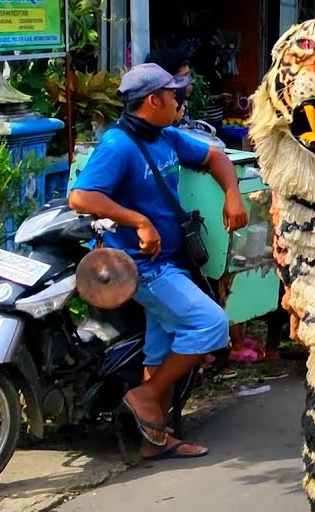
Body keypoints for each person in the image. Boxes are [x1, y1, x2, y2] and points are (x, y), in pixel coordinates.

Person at [68, 63, 248, 461]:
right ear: (154, 100)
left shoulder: (165, 136)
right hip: (141, 266)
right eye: (174, 94)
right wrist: (138, 220)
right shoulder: (118, 145)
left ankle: (154, 439)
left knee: (161, 346)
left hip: (171, 259)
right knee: (210, 323)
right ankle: (145, 397)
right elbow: (81, 197)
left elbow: (215, 158)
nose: (180, 101)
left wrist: (233, 194)